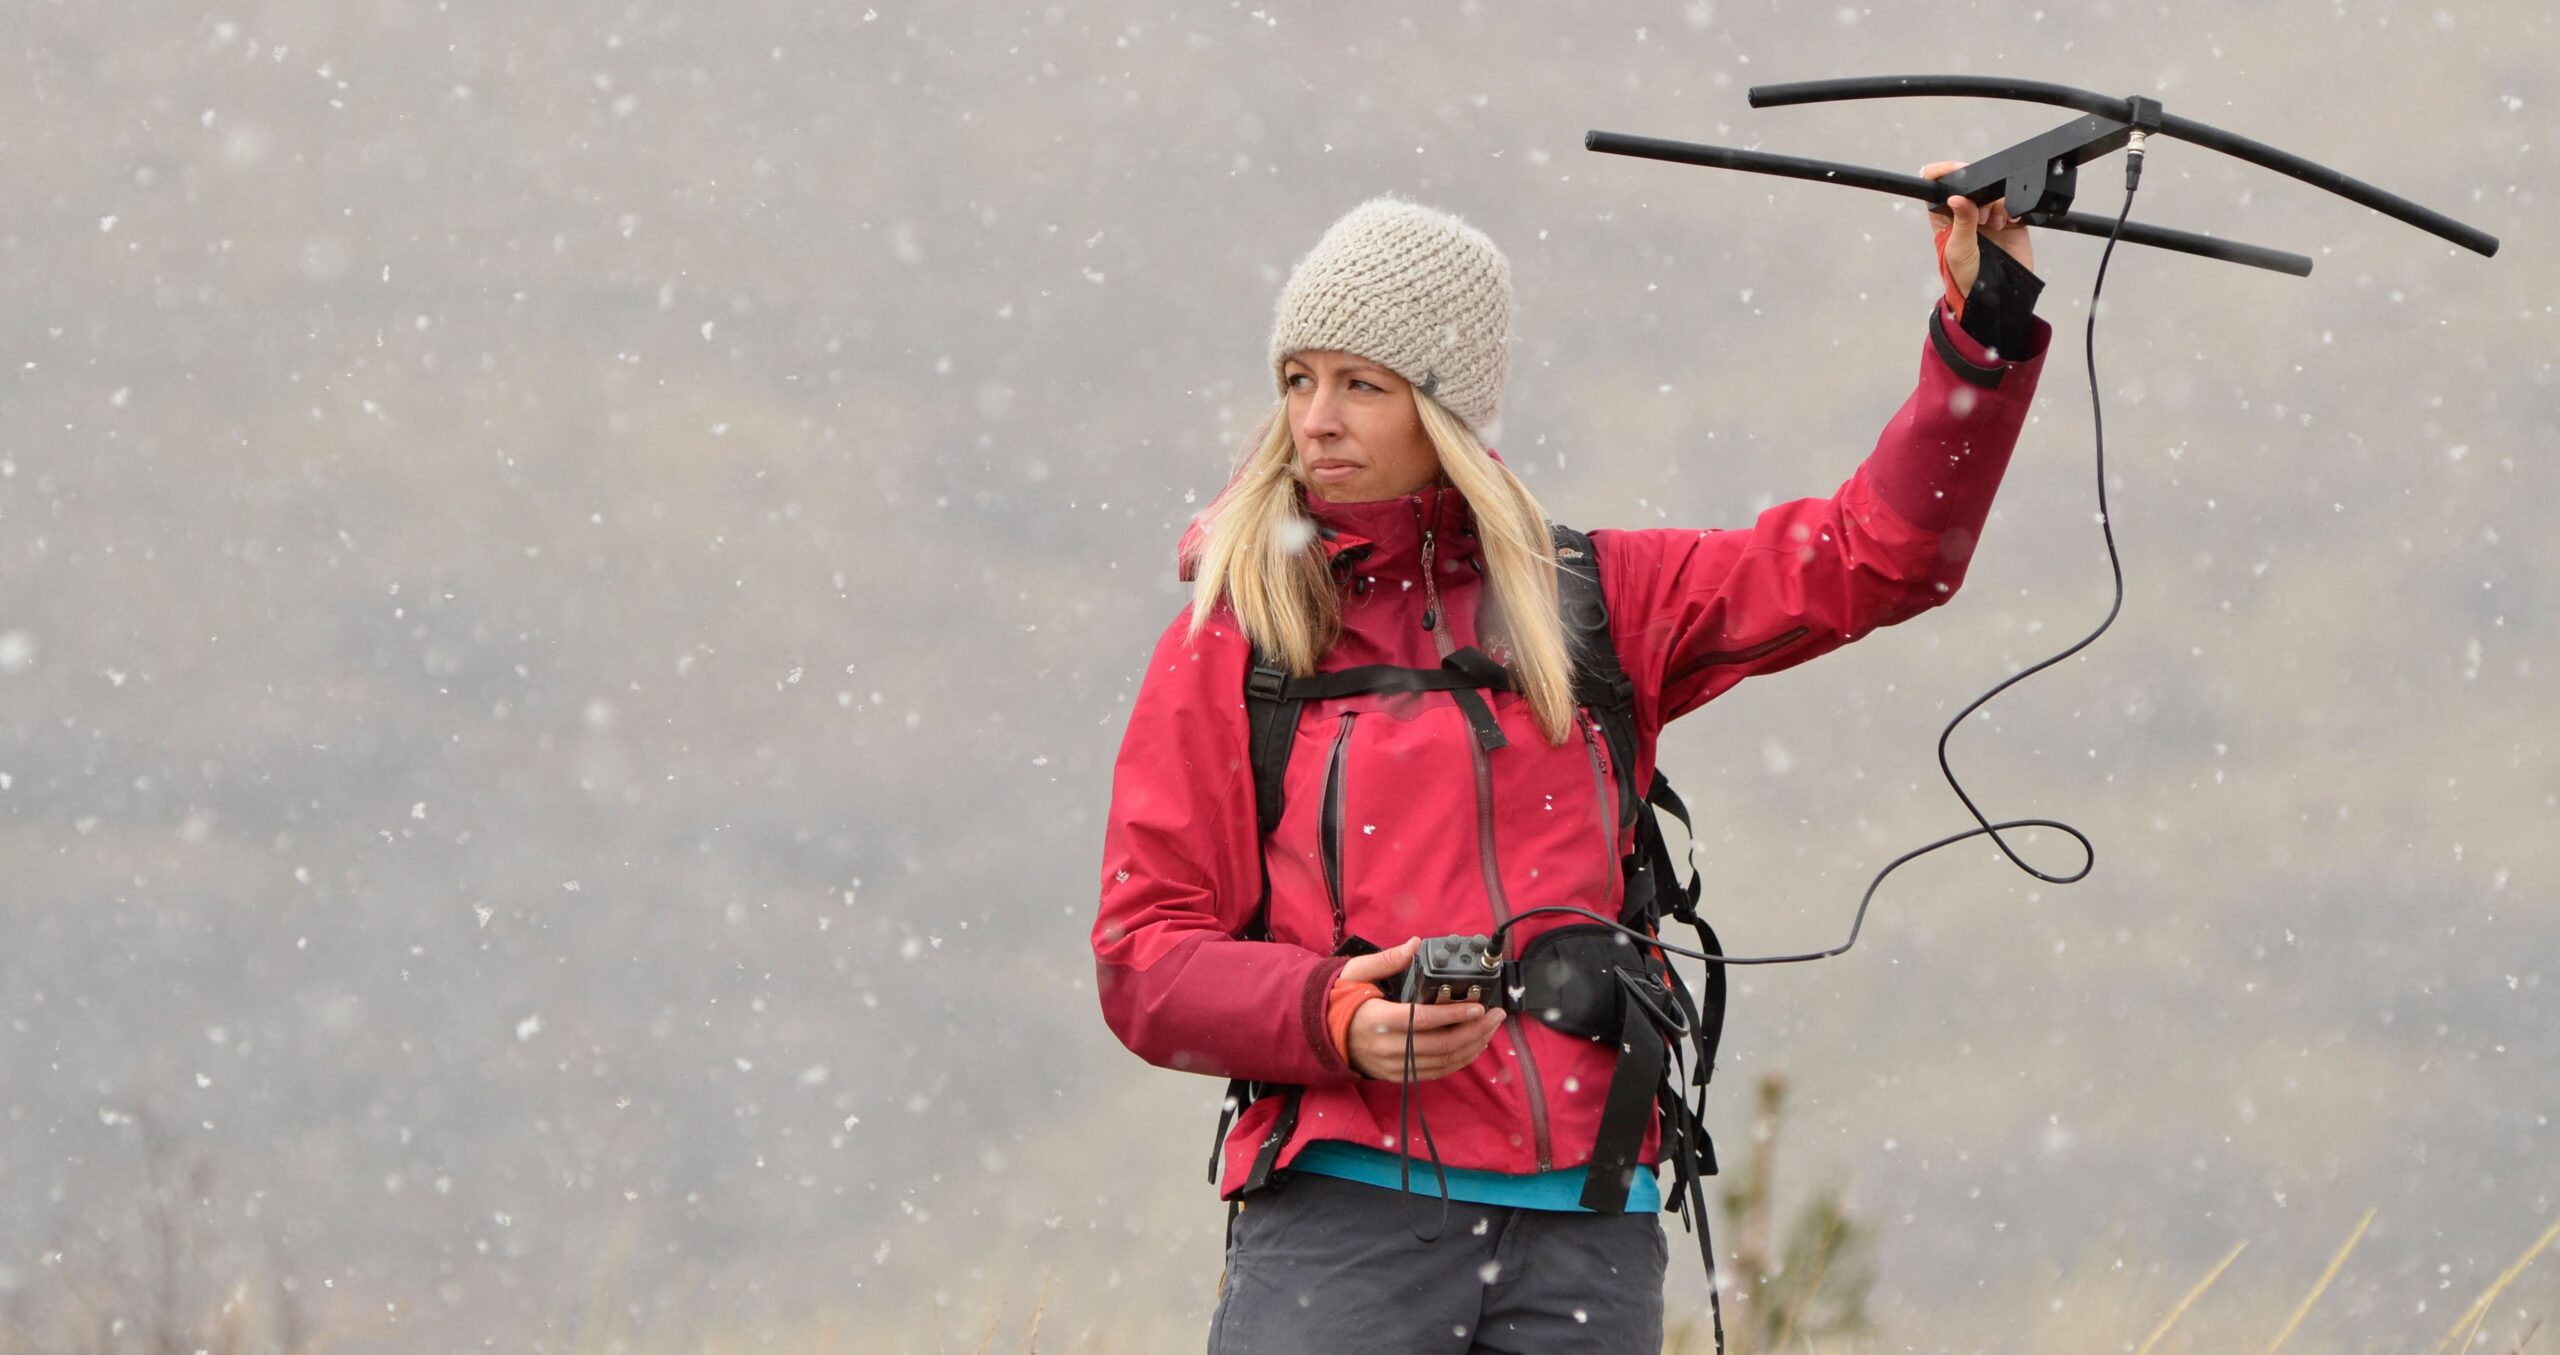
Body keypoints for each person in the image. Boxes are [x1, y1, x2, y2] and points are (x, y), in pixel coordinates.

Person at [1093, 167, 2047, 1353]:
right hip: (1343, 1211)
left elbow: (1879, 553)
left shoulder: (1595, 601)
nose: (1315, 418)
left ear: (1443, 408)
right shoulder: (1239, 634)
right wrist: (1334, 1013)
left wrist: (1983, 328)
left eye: (1360, 384)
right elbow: (1144, 959)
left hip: (1587, 1224)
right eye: (1299, 379)